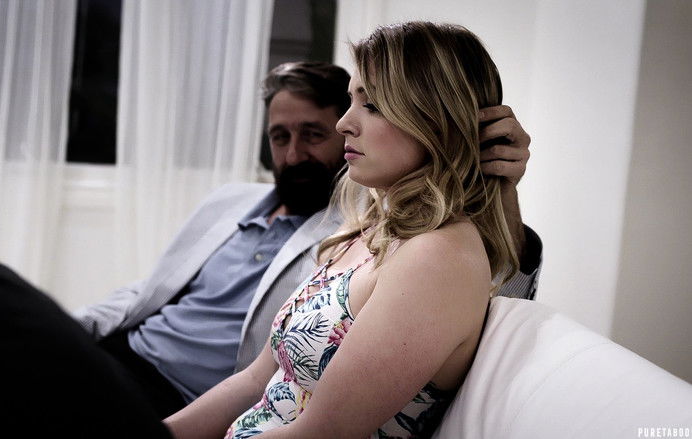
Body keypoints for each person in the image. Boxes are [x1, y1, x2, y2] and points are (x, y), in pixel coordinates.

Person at [73, 60, 541, 417]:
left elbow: (484, 298)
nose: (293, 154)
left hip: (180, 395)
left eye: (312, 134)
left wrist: (500, 190)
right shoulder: (229, 201)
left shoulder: (366, 230)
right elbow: (150, 290)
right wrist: (77, 328)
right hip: (117, 352)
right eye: (280, 137)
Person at [163, 21, 523, 438]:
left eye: (373, 105)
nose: (344, 124)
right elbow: (255, 380)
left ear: (437, 119)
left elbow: (320, 434)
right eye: (352, 100)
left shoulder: (439, 256)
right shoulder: (369, 230)